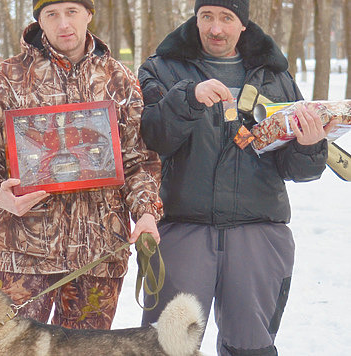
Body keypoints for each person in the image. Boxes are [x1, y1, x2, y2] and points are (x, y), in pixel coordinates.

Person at [139, 1, 338, 355]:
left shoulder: (274, 75)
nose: (215, 29)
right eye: (207, 17)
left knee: (251, 347)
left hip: (258, 233)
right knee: (167, 347)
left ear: (243, 24)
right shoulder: (161, 68)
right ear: (195, 18)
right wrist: (187, 99)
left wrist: (309, 146)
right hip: (183, 229)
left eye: (227, 18)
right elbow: (152, 139)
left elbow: (297, 170)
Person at [0, 0, 163, 331]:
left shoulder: (118, 79)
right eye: (51, 14)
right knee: (9, 350)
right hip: (25, 253)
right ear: (39, 20)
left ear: (89, 14)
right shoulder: (9, 78)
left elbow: (140, 159)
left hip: (100, 253)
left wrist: (145, 212)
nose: (63, 23)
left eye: (72, 11)